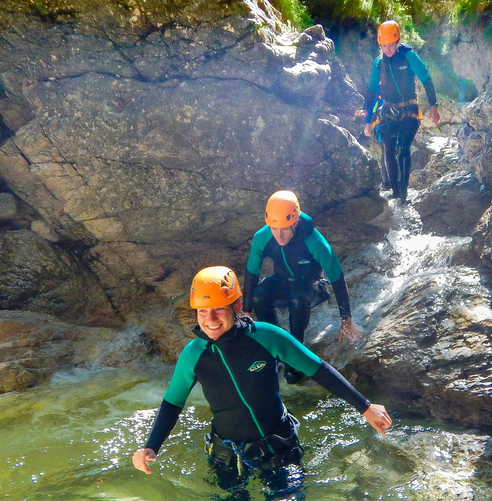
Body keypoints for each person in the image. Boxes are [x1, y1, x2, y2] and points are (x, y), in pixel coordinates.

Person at [132, 266, 392, 500]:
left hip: (278, 447)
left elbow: (319, 370)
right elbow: (172, 402)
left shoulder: (267, 336)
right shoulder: (194, 353)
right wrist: (151, 446)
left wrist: (365, 407)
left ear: (236, 306)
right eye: (202, 311)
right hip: (227, 455)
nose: (209, 319)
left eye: (218, 309)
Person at [241, 190, 362, 384]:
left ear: (295, 222)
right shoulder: (262, 237)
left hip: (312, 285)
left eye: (285, 229)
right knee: (258, 295)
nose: (279, 235)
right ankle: (275, 344)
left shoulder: (313, 239)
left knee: (298, 298)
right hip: (281, 281)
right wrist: (246, 311)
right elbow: (252, 272)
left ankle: (294, 356)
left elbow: (337, 277)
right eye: (274, 228)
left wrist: (346, 318)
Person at [354, 20, 440, 203]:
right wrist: (366, 112)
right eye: (384, 46)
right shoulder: (379, 63)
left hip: (409, 109)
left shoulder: (409, 56)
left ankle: (403, 193)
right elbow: (371, 89)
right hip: (387, 110)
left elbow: (426, 79)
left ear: (397, 41)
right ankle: (395, 194)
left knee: (403, 148)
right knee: (389, 149)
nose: (388, 50)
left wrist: (433, 104)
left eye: (391, 45)